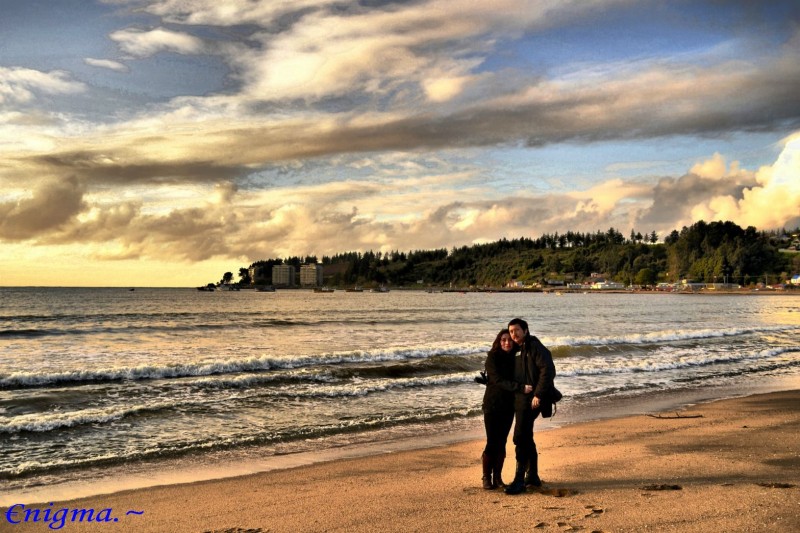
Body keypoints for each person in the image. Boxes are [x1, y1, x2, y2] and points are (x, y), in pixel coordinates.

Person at [504, 317, 556, 495]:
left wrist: (538, 394)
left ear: (525, 330)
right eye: (511, 331)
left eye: (517, 330)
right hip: (520, 399)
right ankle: (532, 475)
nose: (514, 334)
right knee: (526, 436)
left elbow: (548, 370)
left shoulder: (534, 346)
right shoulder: (516, 349)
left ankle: (519, 479)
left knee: (520, 436)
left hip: (532, 399)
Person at [479, 329, 518, 489]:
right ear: (498, 341)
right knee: (492, 442)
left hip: (509, 406)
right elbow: (496, 379)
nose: (507, 342)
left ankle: (498, 479)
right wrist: (520, 387)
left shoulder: (517, 358)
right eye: (503, 340)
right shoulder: (492, 357)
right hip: (492, 405)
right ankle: (486, 478)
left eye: (509, 340)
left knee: (502, 442)